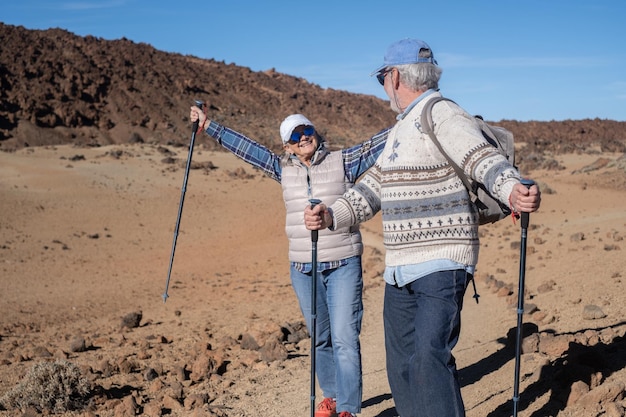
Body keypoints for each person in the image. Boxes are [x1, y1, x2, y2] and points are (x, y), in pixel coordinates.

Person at [303, 38, 541, 417]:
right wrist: (331, 215)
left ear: (395, 76)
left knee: (429, 359)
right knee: (401, 368)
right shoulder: (400, 130)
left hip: (442, 262)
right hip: (400, 270)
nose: (383, 87)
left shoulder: (443, 114)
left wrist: (512, 188)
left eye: (382, 77)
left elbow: (482, 159)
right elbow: (370, 188)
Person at [189, 106, 390, 417]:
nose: (304, 137)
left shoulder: (343, 161)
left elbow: (379, 143)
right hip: (303, 268)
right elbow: (248, 149)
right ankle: (332, 398)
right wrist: (209, 126)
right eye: (295, 135)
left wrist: (416, 115)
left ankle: (349, 409)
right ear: (287, 146)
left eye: (307, 130)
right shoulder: (282, 167)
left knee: (345, 338)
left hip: (343, 263)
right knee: (320, 338)